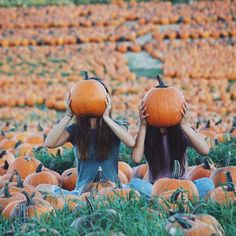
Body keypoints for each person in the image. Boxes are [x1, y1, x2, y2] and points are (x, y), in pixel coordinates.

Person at [44, 76, 135, 195]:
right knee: (43, 187)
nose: (91, 100)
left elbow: (131, 143)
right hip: (83, 191)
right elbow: (49, 143)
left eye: (96, 96)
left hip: (112, 189)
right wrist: (68, 115)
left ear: (106, 100)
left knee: (137, 184)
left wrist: (106, 118)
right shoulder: (76, 130)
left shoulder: (115, 126)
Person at [130, 101, 210, 197]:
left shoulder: (181, 132)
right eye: (158, 109)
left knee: (207, 183)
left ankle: (167, 198)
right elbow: (136, 158)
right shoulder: (147, 134)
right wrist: (143, 125)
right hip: (156, 187)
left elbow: (205, 150)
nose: (163, 111)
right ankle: (171, 198)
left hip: (182, 185)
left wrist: (184, 125)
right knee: (134, 183)